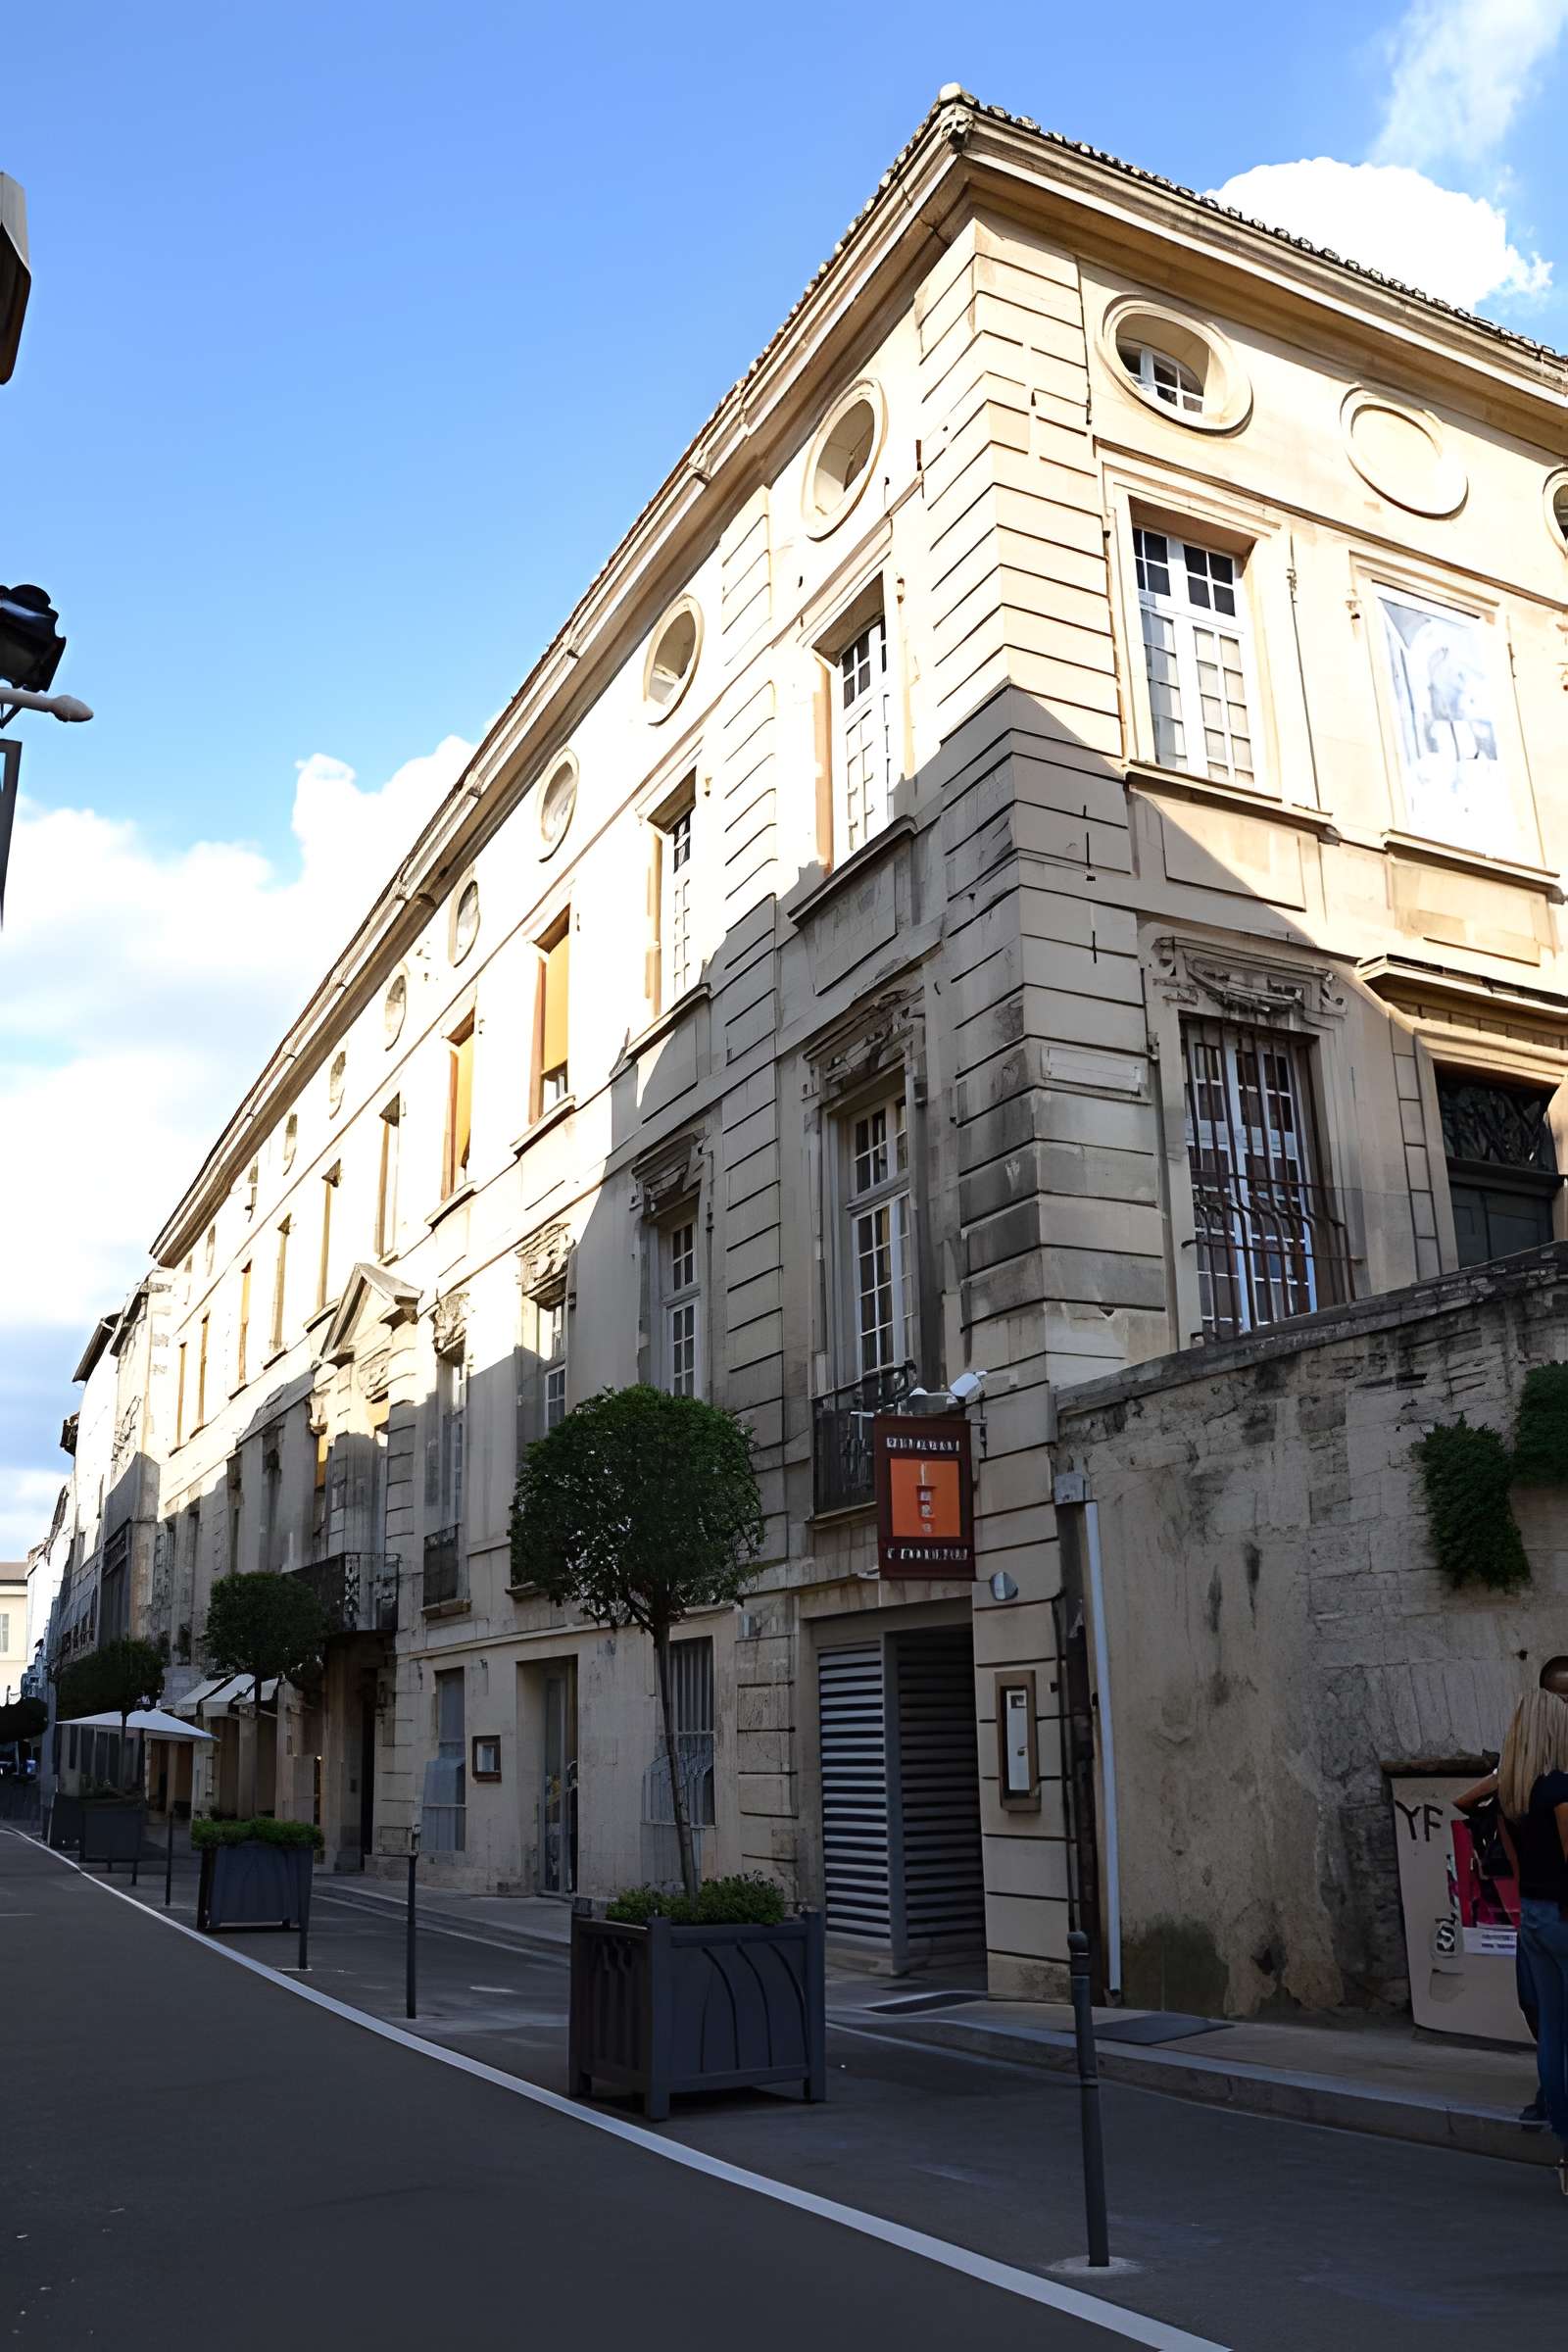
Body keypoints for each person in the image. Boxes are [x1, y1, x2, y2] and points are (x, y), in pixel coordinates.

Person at [1497, 1688, 1568, 2192]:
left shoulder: (1513, 1795)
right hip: (1564, 1916)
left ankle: (1564, 2138)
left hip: (1536, 1918)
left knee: (1554, 2033)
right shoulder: (1561, 1789)